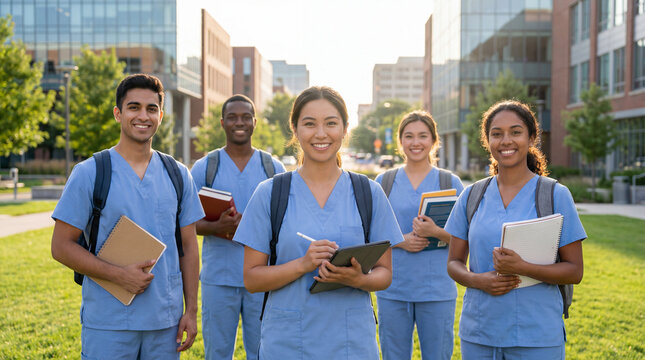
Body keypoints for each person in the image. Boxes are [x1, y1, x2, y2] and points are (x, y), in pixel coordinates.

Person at [233, 86, 404, 359]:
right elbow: (252, 279)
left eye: (331, 123)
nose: (321, 133)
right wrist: (302, 264)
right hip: (287, 344)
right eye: (309, 124)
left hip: (352, 343)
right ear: (295, 129)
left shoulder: (368, 193)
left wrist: (357, 279)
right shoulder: (270, 194)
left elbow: (385, 274)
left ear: (345, 129)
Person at [51, 74, 205, 359]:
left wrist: (191, 311)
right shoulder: (90, 172)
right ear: (118, 114)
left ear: (161, 115)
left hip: (165, 323)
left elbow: (189, 248)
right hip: (108, 324)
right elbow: (61, 246)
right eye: (134, 107)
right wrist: (119, 276)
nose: (142, 116)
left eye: (151, 108)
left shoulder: (178, 174)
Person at [444, 100, 586, 359]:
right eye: (496, 134)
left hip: (538, 337)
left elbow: (575, 271)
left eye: (516, 132)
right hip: (479, 334)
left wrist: (521, 268)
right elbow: (453, 262)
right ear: (487, 141)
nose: (506, 140)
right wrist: (478, 280)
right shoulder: (471, 196)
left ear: (532, 137)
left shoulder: (555, 195)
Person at [190, 94, 285, 360]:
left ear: (255, 122)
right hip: (218, 280)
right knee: (217, 353)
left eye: (245, 117)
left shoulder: (272, 168)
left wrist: (255, 228)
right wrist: (216, 226)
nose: (239, 122)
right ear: (222, 122)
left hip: (262, 279)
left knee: (262, 352)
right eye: (232, 117)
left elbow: (285, 221)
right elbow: (186, 223)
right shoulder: (204, 167)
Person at [375, 111, 464, 360]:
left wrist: (435, 232)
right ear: (400, 141)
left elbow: (465, 238)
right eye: (409, 136)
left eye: (423, 136)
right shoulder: (385, 181)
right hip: (393, 289)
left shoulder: (450, 182)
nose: (416, 142)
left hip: (437, 290)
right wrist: (401, 240)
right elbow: (370, 233)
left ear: (434, 140)